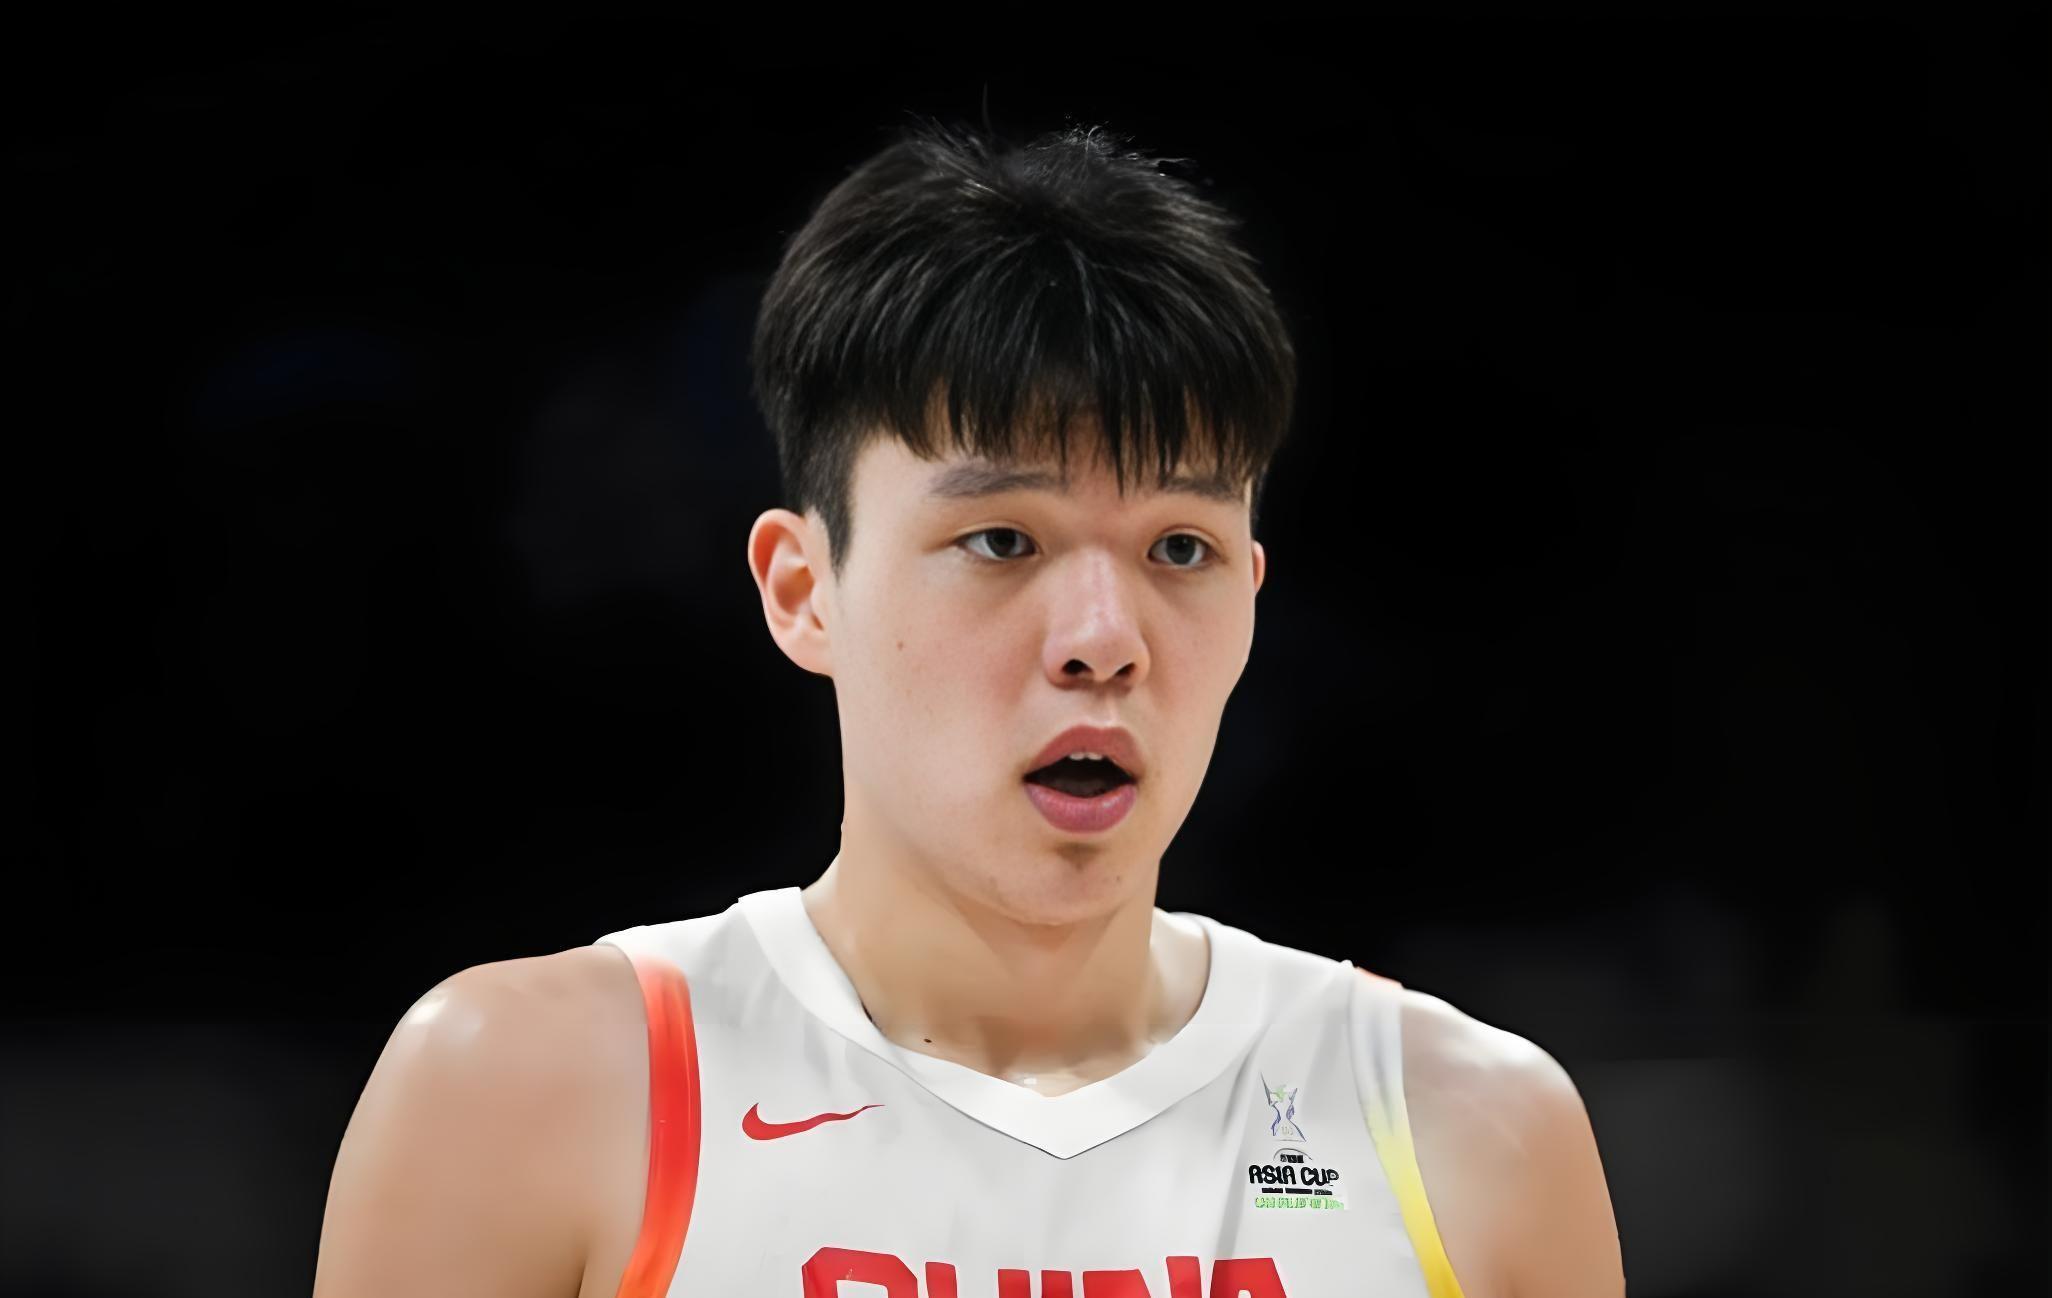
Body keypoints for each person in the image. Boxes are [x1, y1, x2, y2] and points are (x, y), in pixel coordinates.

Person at [312, 118, 1624, 1298]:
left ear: (1251, 596)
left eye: (1180, 548)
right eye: (1003, 539)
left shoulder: (1475, 1136)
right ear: (802, 589)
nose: (1105, 641)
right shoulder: (527, 1096)